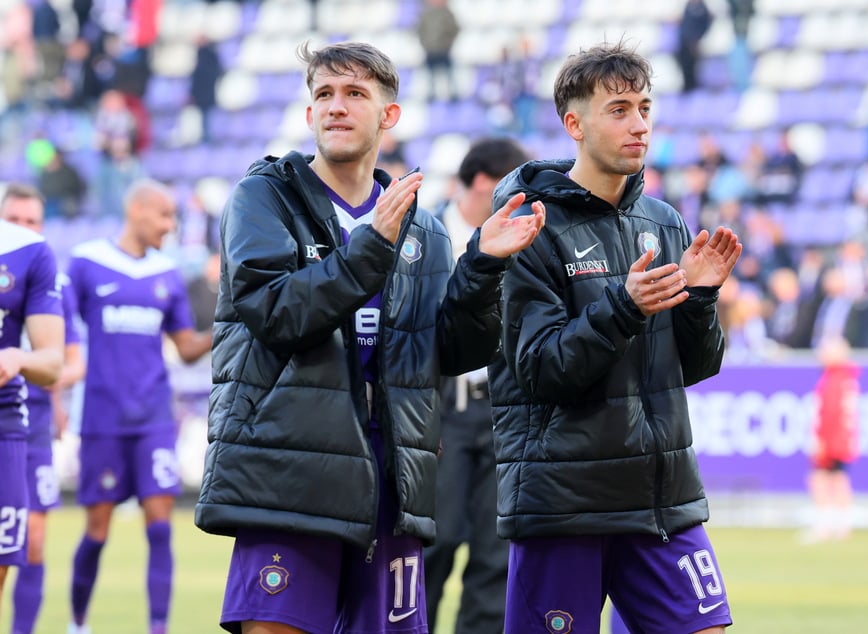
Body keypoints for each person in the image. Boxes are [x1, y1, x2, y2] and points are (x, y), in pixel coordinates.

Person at [192, 40, 544, 634]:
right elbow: (274, 313)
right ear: (308, 115)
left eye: (355, 93)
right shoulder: (265, 199)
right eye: (324, 94)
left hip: (390, 478)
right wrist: (370, 249)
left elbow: (446, 352)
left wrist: (481, 266)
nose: (336, 106)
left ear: (389, 114)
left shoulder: (424, 229)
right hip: (289, 472)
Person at [487, 42, 742, 633]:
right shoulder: (529, 226)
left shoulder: (665, 221)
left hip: (661, 500)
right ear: (574, 124)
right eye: (620, 109)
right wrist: (623, 306)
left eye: (645, 108)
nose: (640, 125)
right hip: (565, 502)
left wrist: (701, 299)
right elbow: (541, 369)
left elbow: (694, 367)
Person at [66, 179, 213, 634]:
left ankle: (157, 628)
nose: (170, 226)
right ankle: (77, 622)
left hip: (153, 417)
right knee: (97, 530)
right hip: (103, 418)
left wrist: (227, 327)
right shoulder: (87, 264)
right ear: (138, 211)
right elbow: (58, 330)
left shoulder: (166, 273)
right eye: (164, 215)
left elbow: (185, 346)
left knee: (160, 527)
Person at [423, 136, 530, 634]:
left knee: (496, 551)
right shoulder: (425, 235)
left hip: (503, 406)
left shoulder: (526, 239)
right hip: (439, 406)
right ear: (485, 183)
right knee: (431, 542)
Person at [2, 185, 85, 634]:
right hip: (10, 410)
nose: (25, 229)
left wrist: (45, 381)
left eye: (33, 221)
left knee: (31, 540)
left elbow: (72, 361)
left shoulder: (51, 277)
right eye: (16, 219)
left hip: (31, 424)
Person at [803, 336, 860, 543]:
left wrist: (821, 440)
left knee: (820, 479)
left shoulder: (834, 380)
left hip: (832, 439)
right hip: (843, 439)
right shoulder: (847, 378)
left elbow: (830, 413)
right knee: (839, 479)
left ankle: (824, 524)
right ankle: (842, 525)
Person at [415, 0, 460, 101]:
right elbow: (419, 30)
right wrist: (425, 44)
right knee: (430, 74)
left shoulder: (447, 14)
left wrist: (448, 43)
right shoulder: (425, 14)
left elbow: (454, 29)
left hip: (444, 49)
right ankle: (431, 94)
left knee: (449, 73)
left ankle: (453, 94)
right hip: (430, 50)